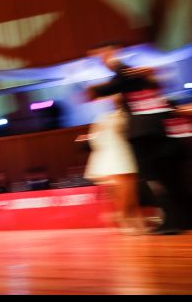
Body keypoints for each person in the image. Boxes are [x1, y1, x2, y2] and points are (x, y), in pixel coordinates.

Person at [87, 42, 189, 234]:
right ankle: (180, 220)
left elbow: (119, 80)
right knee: (169, 181)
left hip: (149, 138)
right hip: (163, 138)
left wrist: (112, 64)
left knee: (158, 180)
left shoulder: (134, 83)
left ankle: (173, 222)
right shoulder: (153, 93)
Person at [76, 97, 145, 234]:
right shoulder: (104, 116)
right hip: (114, 155)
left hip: (124, 153)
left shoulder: (126, 115)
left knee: (129, 189)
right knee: (121, 190)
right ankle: (125, 219)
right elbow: (96, 138)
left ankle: (133, 219)